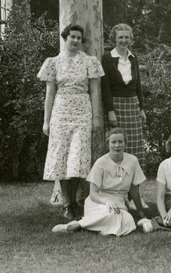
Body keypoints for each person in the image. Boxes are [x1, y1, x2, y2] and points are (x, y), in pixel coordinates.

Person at [38, 23, 104, 220]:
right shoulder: (53, 63)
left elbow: (94, 91)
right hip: (60, 113)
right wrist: (46, 121)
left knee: (77, 157)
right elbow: (50, 93)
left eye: (78, 38)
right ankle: (66, 203)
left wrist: (95, 117)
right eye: (72, 37)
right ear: (65, 38)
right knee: (61, 157)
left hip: (82, 112)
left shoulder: (89, 62)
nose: (75, 41)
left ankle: (75, 200)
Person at [52, 128, 149, 236]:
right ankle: (79, 224)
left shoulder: (133, 161)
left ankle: (82, 224)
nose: (117, 145)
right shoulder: (101, 163)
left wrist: (140, 212)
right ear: (108, 144)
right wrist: (106, 202)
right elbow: (93, 194)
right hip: (98, 201)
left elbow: (134, 190)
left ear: (125, 143)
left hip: (118, 202)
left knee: (128, 220)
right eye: (114, 142)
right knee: (110, 214)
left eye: (120, 142)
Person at [101, 23, 148, 209]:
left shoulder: (133, 58)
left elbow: (138, 87)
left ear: (131, 39)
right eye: (120, 37)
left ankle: (135, 196)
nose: (123, 40)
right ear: (115, 38)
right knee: (117, 149)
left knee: (135, 150)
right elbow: (105, 87)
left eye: (126, 37)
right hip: (117, 106)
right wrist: (110, 110)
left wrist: (142, 108)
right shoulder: (107, 58)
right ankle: (118, 195)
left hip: (133, 105)